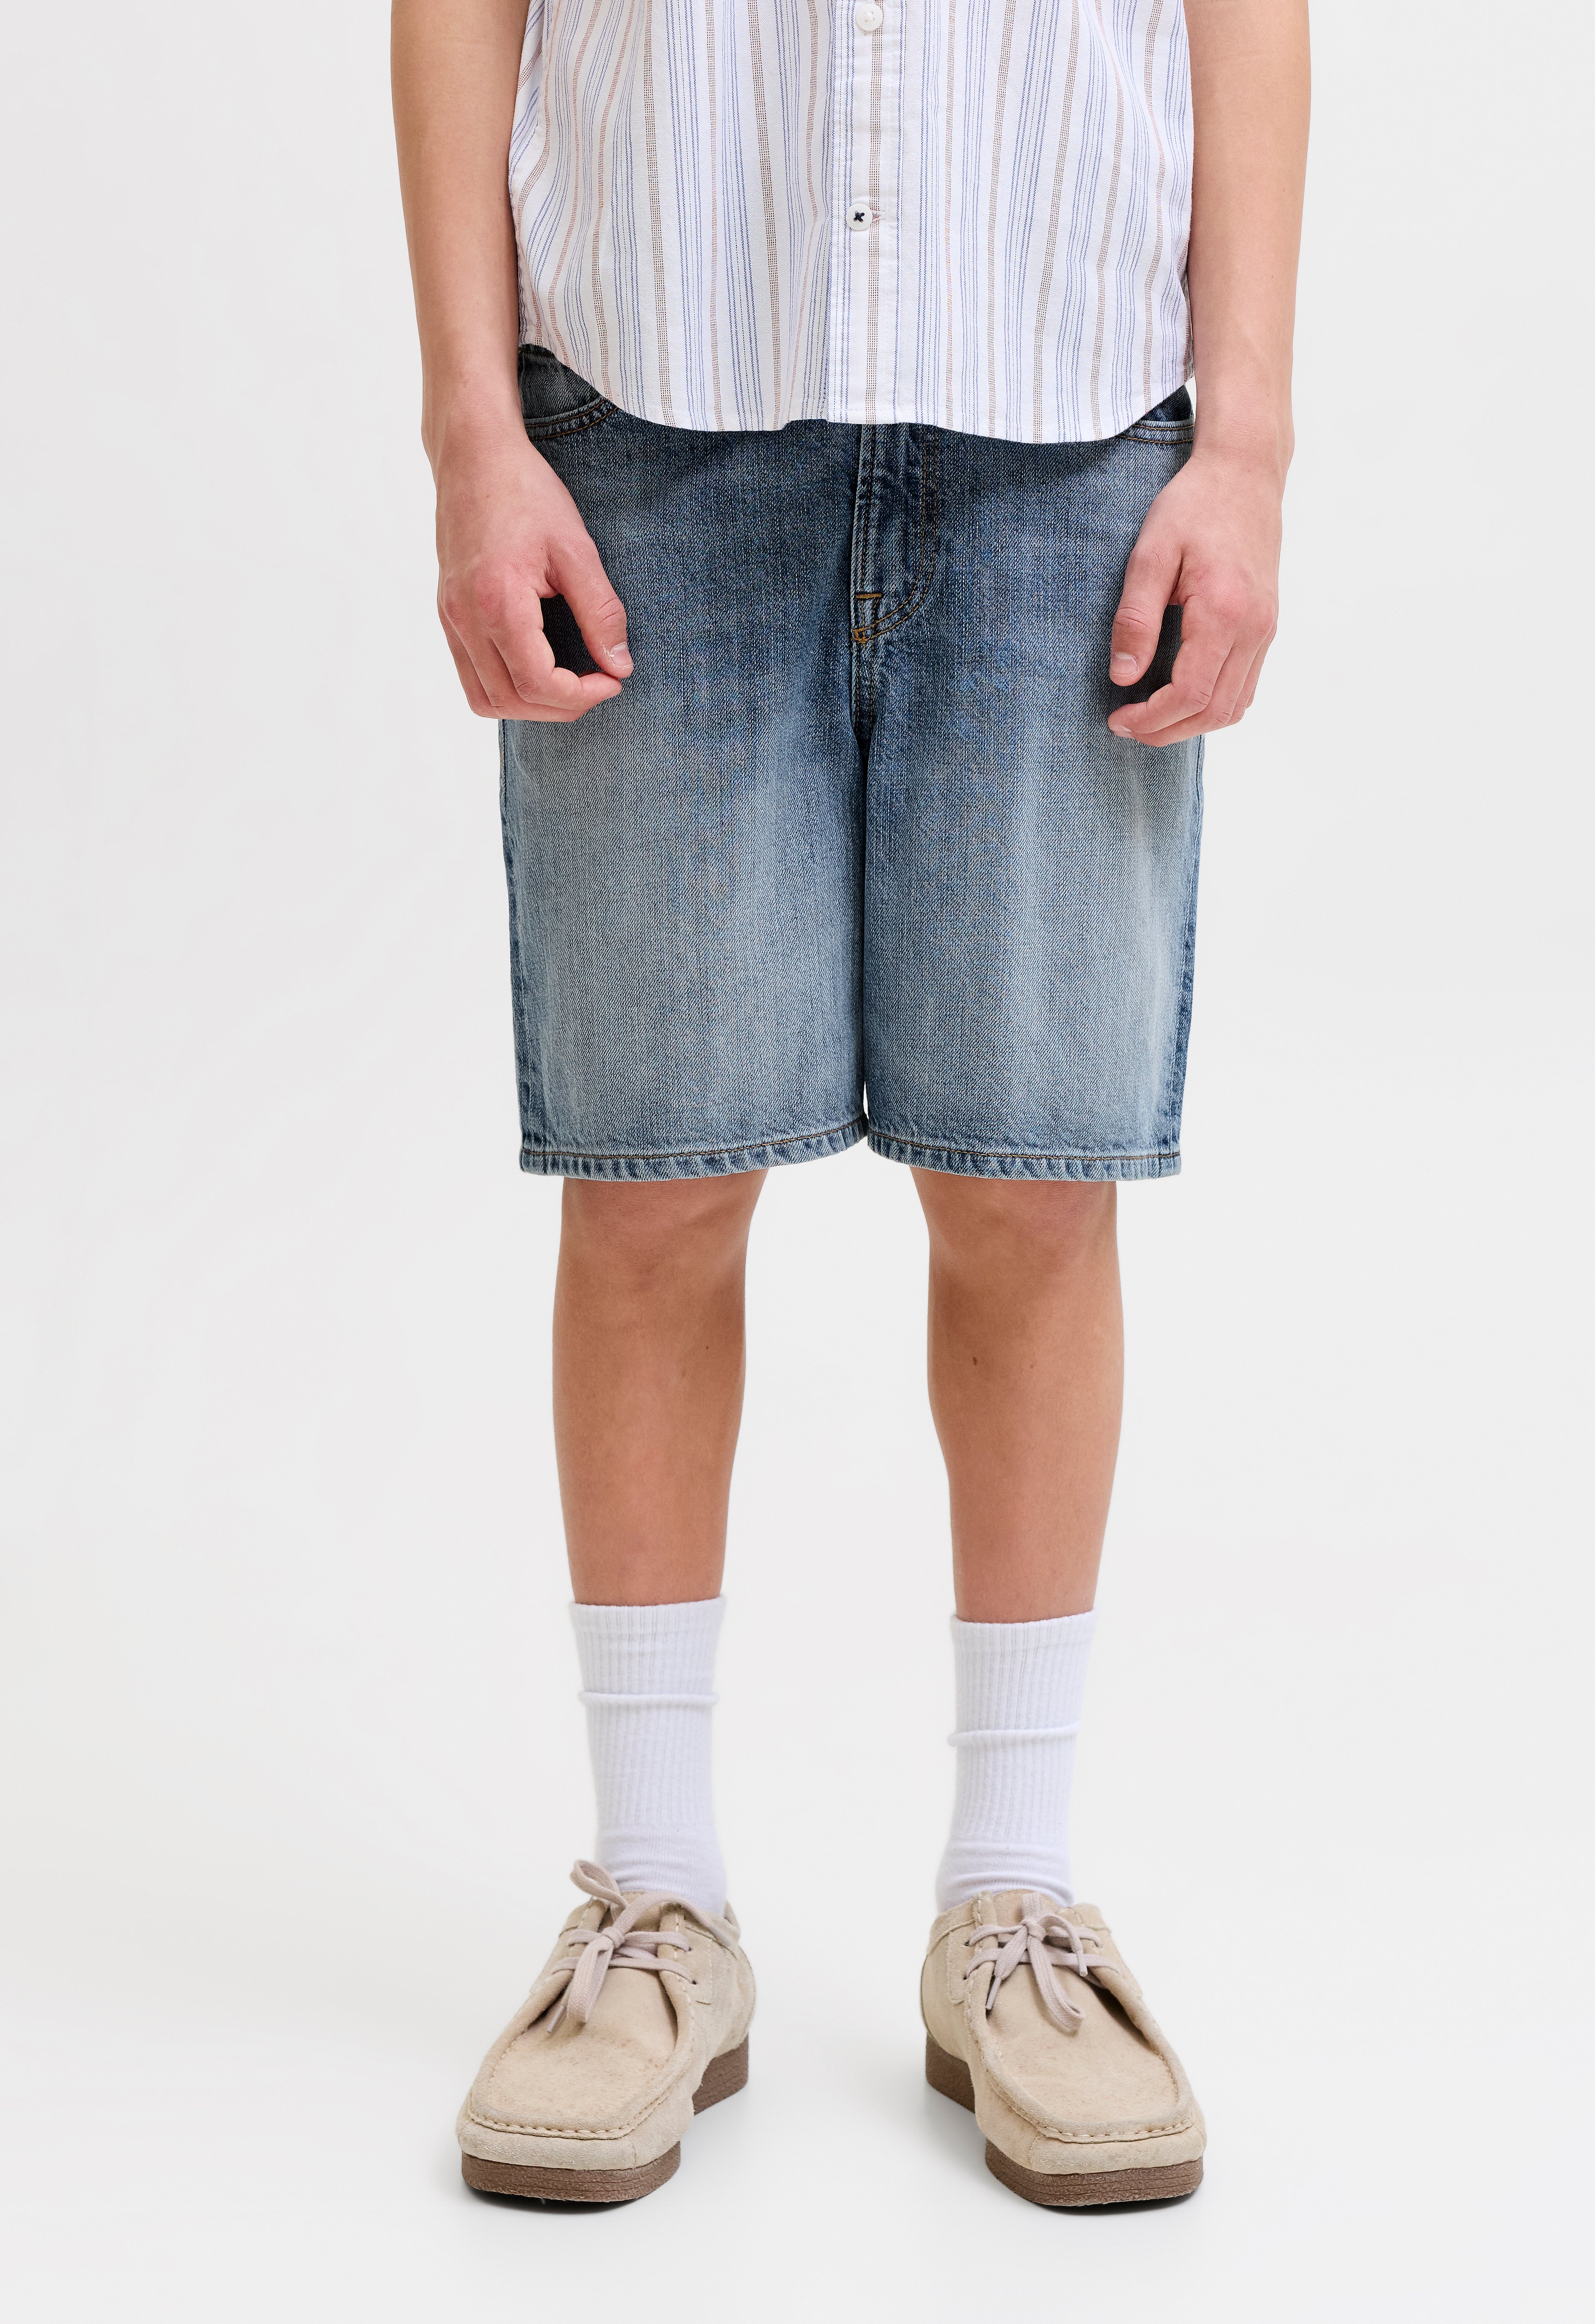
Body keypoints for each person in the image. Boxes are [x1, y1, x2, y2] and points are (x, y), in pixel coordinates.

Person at [392, 0, 1307, 2209]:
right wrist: (471, 435)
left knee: (1035, 1183)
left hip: (1066, 411)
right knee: (653, 1180)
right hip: (651, 409)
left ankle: (1014, 1900)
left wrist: (1249, 446)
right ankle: (657, 1902)